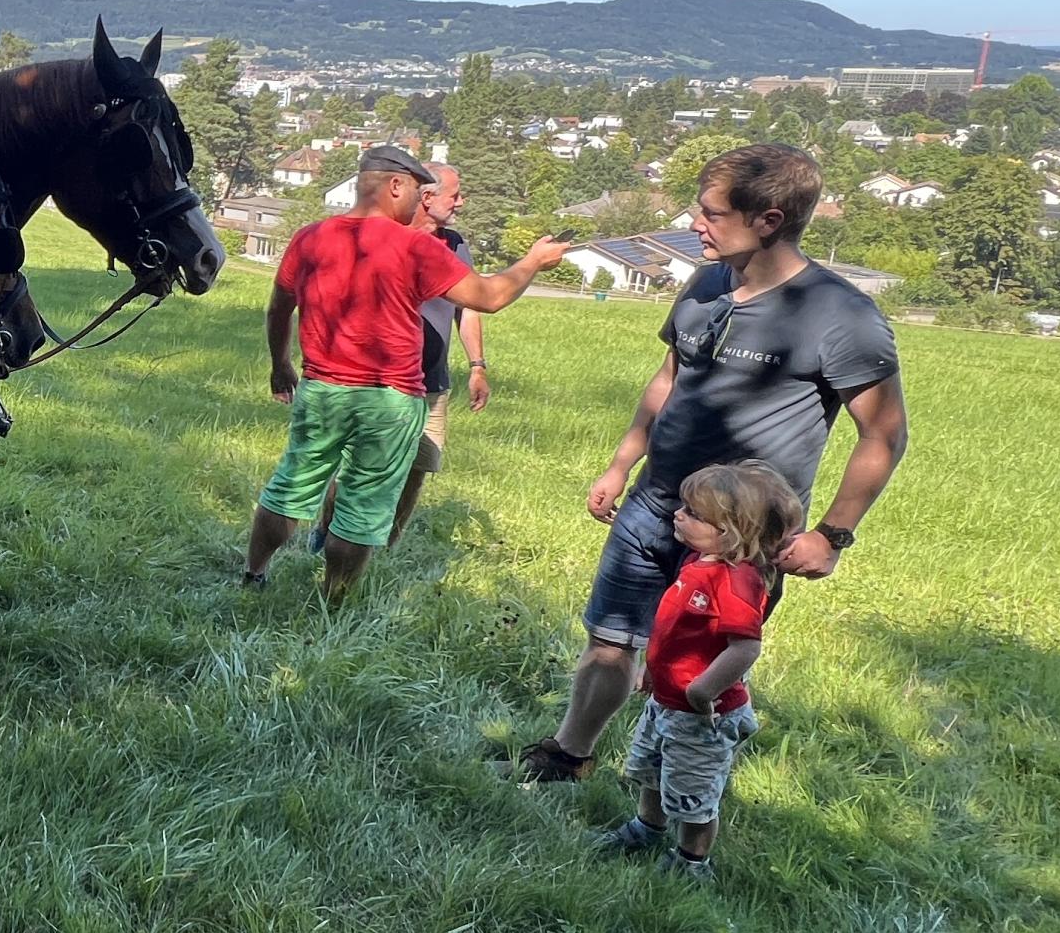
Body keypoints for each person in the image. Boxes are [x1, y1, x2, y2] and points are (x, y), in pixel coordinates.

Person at [512, 143, 910, 784]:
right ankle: (569, 755)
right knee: (609, 640)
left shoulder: (840, 317)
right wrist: (620, 465)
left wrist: (832, 534)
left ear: (769, 220)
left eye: (710, 213)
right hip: (652, 504)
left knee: (697, 671)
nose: (694, 223)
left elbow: (884, 435)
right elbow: (668, 378)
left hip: (740, 539)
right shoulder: (705, 282)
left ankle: (674, 805)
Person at [243, 145, 569, 603]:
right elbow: (490, 297)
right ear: (395, 185)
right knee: (362, 507)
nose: (420, 202)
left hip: (321, 390)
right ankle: (333, 602)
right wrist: (532, 262)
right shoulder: (415, 246)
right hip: (389, 399)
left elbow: (280, 306)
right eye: (418, 191)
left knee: (290, 485)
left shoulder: (309, 237)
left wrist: (281, 363)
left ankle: (253, 574)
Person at [589, 459, 799, 883]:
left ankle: (691, 861)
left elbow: (745, 647)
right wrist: (652, 669)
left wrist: (704, 692)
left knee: (695, 788)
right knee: (655, 770)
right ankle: (647, 828)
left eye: (693, 513)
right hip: (667, 700)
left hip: (700, 712)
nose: (677, 515)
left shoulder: (736, 580)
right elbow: (678, 629)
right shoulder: (700, 562)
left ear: (731, 531)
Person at [305, 161, 488, 562]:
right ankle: (329, 527)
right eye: (454, 195)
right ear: (426, 197)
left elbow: (471, 308)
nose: (460, 202)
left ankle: (386, 545)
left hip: (433, 383)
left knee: (419, 468)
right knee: (359, 465)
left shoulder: (455, 245)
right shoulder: (389, 239)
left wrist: (477, 365)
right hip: (380, 381)